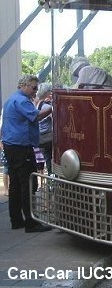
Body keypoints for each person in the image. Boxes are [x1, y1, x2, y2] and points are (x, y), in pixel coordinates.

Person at [0, 75, 53, 233]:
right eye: (34, 87)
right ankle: (31, 221)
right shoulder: (22, 101)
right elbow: (36, 116)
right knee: (29, 184)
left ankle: (16, 220)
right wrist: (52, 108)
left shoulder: (11, 99)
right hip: (22, 147)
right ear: (24, 85)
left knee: (15, 184)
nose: (36, 91)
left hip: (11, 146)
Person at [35, 83, 53, 175]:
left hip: (41, 137)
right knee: (51, 161)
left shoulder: (38, 104)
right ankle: (52, 182)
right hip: (48, 138)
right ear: (47, 92)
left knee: (47, 160)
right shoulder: (46, 106)